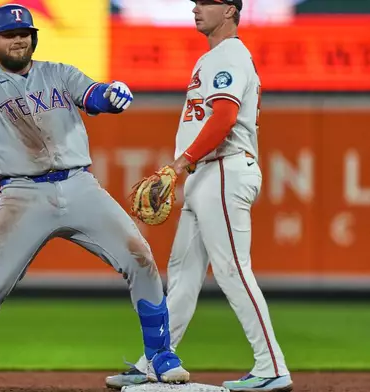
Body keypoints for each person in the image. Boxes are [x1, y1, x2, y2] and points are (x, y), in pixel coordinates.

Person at [0, 1, 190, 392]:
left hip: (80, 186)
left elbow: (94, 95)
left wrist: (112, 95)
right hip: (22, 193)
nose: (19, 40)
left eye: (25, 34)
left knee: (141, 258)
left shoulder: (59, 73)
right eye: (10, 35)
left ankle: (161, 357)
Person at [105, 1, 293, 391]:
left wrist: (179, 164)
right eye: (195, 2)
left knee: (233, 270)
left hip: (222, 170)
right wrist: (188, 168)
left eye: (206, 3)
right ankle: (154, 361)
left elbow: (223, 118)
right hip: (206, 175)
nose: (195, 8)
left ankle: (272, 365)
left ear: (229, 11)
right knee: (184, 275)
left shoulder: (229, 55)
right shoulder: (211, 58)